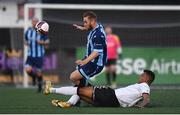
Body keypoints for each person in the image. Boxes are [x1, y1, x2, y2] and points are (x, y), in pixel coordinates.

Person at [45, 11, 107, 107]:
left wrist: (84, 61)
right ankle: (78, 99)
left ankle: (83, 95)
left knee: (73, 77)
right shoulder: (96, 28)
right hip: (90, 61)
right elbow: (91, 29)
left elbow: (97, 52)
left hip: (95, 64)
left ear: (93, 21)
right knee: (78, 81)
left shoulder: (98, 34)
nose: (84, 24)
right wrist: (83, 28)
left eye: (86, 22)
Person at [45, 70, 155, 108]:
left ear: (147, 78)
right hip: (112, 102)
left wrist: (141, 105)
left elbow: (147, 99)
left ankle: (51, 90)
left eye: (142, 75)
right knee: (81, 92)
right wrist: (137, 104)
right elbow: (142, 99)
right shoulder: (142, 86)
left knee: (79, 89)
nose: (140, 76)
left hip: (110, 95)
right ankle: (69, 103)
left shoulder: (144, 85)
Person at [24, 19, 49, 92]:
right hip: (30, 55)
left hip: (39, 55)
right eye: (33, 22)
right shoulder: (28, 31)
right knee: (27, 70)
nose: (34, 23)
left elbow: (47, 42)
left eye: (36, 22)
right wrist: (26, 43)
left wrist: (41, 42)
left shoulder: (42, 31)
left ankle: (40, 87)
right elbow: (25, 41)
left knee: (39, 72)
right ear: (32, 23)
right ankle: (34, 77)